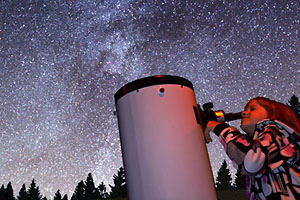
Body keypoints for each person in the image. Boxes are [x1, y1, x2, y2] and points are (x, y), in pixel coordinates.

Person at [204, 97, 300, 200]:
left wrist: (218, 127)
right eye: (245, 109)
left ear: (273, 113)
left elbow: (250, 163)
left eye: (252, 109)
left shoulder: (274, 130)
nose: (244, 113)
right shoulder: (274, 140)